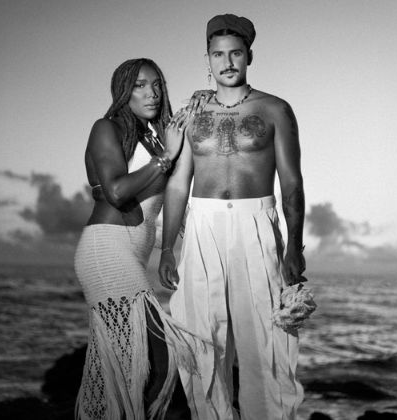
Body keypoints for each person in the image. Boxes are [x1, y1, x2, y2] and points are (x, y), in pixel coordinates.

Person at [158, 14, 306, 420]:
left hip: (255, 224)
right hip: (202, 225)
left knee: (267, 339)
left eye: (235, 53)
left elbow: (292, 183)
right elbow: (178, 184)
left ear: (249, 56)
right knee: (200, 338)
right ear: (207, 59)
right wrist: (167, 247)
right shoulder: (192, 113)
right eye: (218, 54)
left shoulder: (275, 109)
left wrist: (294, 246)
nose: (227, 62)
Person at [74, 58, 209, 420]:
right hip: (106, 251)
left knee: (139, 367)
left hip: (134, 254)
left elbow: (173, 190)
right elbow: (117, 191)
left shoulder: (155, 137)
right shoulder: (106, 128)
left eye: (157, 84)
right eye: (140, 85)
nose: (152, 93)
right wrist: (165, 157)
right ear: (123, 91)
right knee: (155, 361)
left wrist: (168, 249)